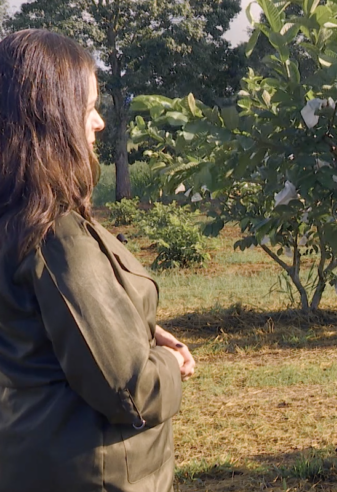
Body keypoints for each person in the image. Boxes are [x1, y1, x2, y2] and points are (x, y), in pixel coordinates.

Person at [0, 29, 196, 492]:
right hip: (94, 474)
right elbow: (130, 392)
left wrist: (134, 326)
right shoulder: (55, 235)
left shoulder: (15, 219)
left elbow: (46, 333)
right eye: (88, 108)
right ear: (53, 118)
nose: (99, 123)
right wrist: (171, 362)